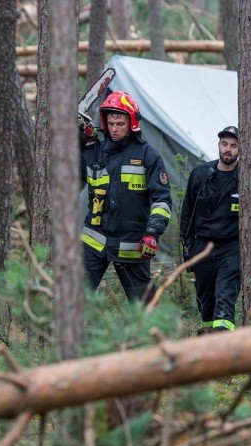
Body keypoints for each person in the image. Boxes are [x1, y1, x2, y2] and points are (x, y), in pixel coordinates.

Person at [80, 91, 172, 302]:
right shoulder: (93, 151)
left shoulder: (148, 156)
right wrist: (77, 140)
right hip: (95, 242)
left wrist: (153, 233)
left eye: (120, 123)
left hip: (132, 245)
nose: (114, 128)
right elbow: (65, 171)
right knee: (76, 301)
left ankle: (153, 336)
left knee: (145, 309)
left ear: (132, 123)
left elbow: (162, 200)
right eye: (111, 123)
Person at [179, 126, 241, 333]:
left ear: (240, 150)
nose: (228, 150)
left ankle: (225, 344)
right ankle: (207, 341)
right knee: (205, 300)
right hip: (202, 246)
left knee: (225, 296)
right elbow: (187, 212)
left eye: (233, 146)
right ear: (219, 145)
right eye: (224, 144)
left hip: (231, 248)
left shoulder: (245, 179)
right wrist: (188, 246)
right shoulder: (200, 174)